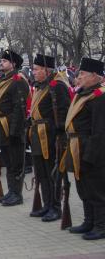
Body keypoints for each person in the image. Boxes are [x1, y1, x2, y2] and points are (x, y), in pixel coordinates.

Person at [60, 57, 105, 240]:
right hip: (77, 146)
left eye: (84, 74)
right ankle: (89, 221)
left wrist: (91, 155)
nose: (80, 77)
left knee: (96, 190)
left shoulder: (100, 97)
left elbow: (100, 130)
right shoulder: (83, 93)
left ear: (95, 76)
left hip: (92, 149)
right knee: (83, 188)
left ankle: (101, 225)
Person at [29, 54, 70, 222]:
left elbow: (63, 111)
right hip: (38, 133)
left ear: (46, 70)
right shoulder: (40, 86)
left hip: (51, 135)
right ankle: (46, 205)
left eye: (37, 69)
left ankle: (55, 207)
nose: (34, 72)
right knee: (41, 173)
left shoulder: (57, 86)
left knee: (52, 172)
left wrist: (57, 132)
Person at [0, 50, 30, 206]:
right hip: (1, 125)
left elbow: (18, 109)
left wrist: (14, 131)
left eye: (5, 61)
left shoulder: (18, 80)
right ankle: (11, 191)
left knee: (15, 161)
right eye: (1, 60)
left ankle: (17, 194)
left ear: (13, 64)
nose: (1, 63)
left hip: (11, 127)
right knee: (7, 160)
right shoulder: (3, 80)